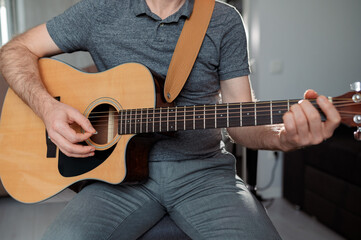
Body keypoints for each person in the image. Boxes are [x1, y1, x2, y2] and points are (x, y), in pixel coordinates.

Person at [0, 0, 341, 239]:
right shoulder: (100, 10)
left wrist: (284, 138)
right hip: (118, 182)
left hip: (204, 174)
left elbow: (242, 121)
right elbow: (15, 50)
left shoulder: (223, 20)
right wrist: (46, 107)